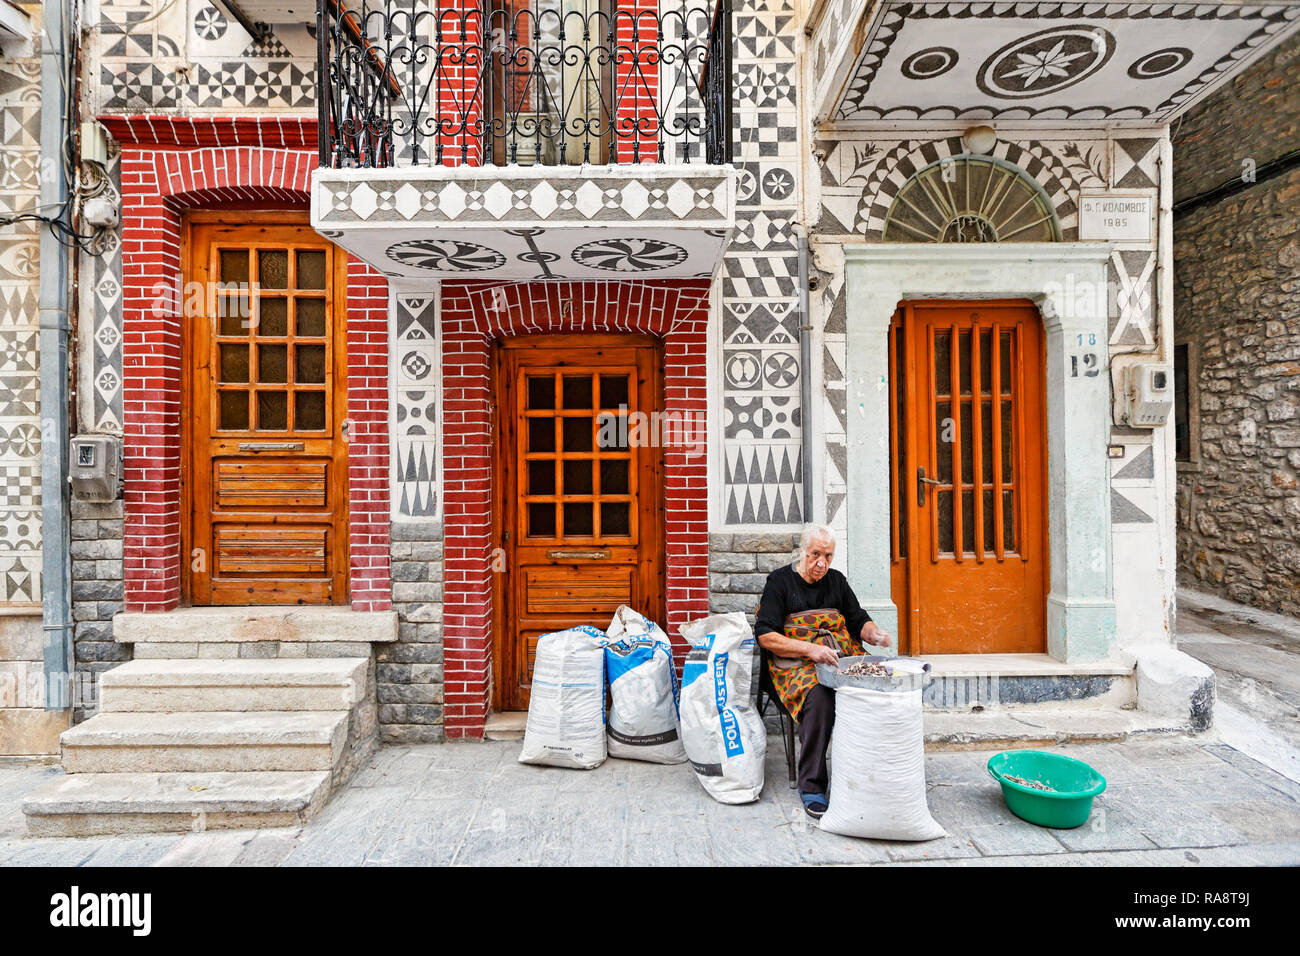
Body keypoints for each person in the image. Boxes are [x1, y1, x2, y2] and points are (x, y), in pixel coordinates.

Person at [754, 524, 890, 819]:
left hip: (839, 658)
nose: (821, 563)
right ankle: (812, 785)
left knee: (872, 688)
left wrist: (875, 635)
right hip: (795, 664)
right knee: (821, 696)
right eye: (816, 554)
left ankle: (868, 776)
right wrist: (810, 650)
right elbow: (766, 636)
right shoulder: (780, 582)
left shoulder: (836, 581)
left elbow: (858, 621)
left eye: (828, 556)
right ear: (801, 552)